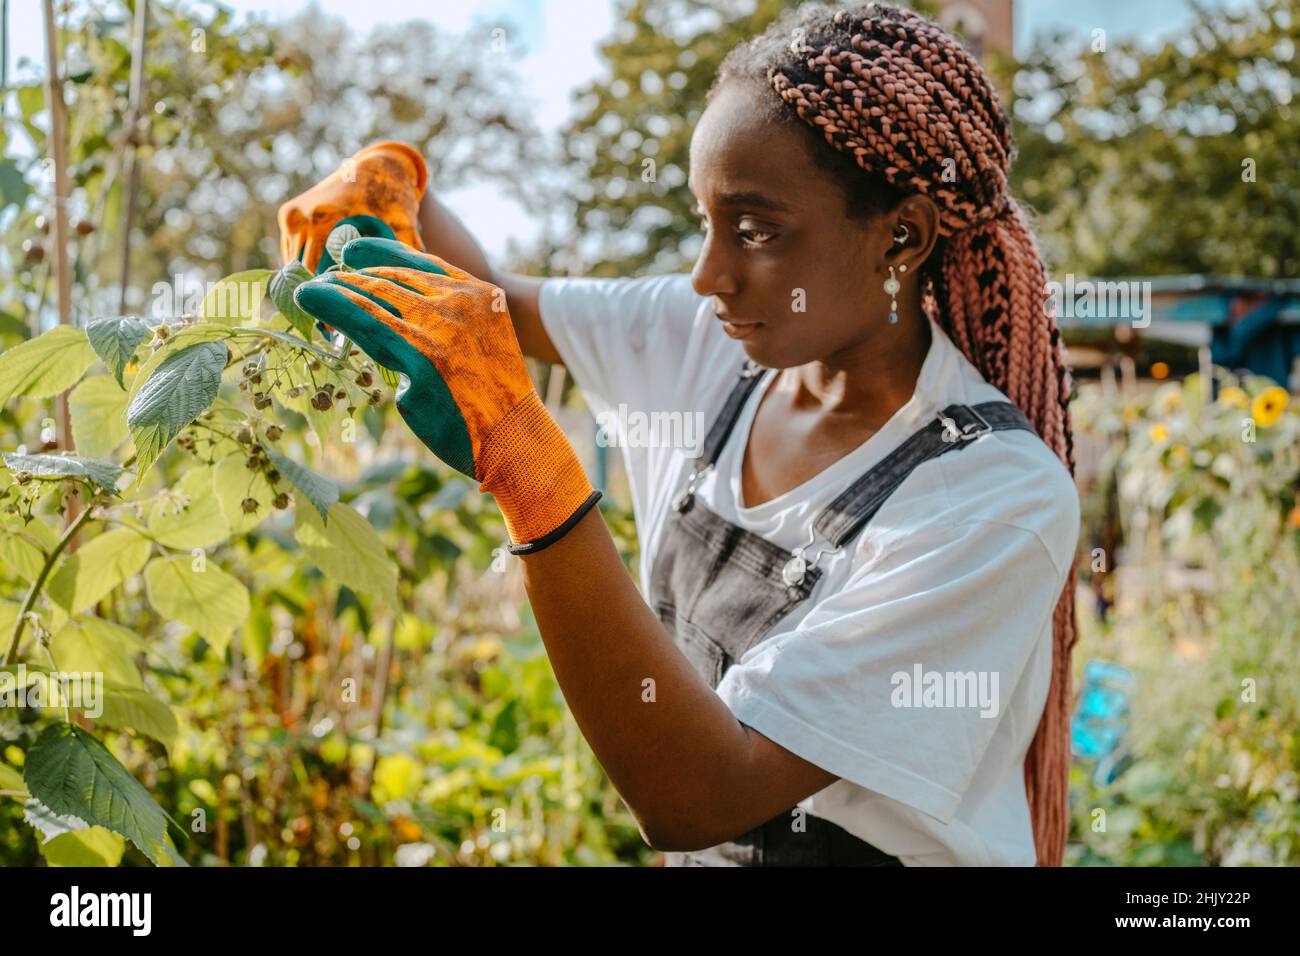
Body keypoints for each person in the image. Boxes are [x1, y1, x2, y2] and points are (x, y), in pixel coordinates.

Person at [280, 2, 1082, 866]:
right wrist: (397, 184)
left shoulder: (993, 499)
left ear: (902, 236)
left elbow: (703, 795)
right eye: (705, 221)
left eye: (756, 230)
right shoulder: (708, 337)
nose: (708, 275)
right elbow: (491, 300)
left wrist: (528, 467)